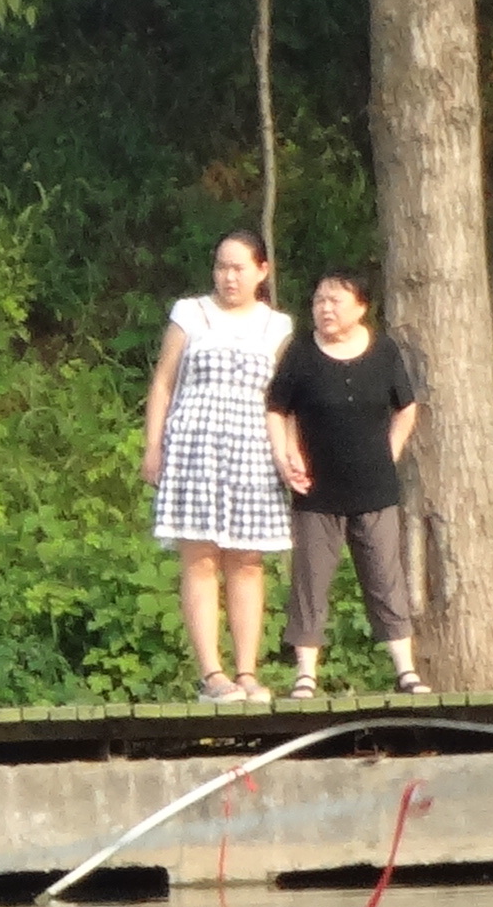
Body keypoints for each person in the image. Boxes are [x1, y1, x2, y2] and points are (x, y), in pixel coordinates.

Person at [140, 229, 298, 701]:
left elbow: (284, 401)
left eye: (238, 268)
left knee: (247, 561)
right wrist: (154, 445)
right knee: (201, 557)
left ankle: (247, 671)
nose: (229, 277)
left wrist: (289, 454)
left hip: (252, 449)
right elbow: (164, 383)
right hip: (194, 447)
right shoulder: (191, 314)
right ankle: (212, 673)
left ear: (261, 272)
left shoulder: (278, 326)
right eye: (221, 267)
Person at [265, 268, 430, 696]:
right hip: (316, 487)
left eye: (336, 300)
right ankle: (306, 673)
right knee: (311, 579)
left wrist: (389, 451)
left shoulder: (384, 352)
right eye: (320, 300)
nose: (325, 308)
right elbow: (277, 408)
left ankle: (405, 670)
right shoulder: (301, 353)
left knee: (384, 575)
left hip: (375, 486)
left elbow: (406, 407)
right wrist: (287, 455)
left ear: (361, 307)